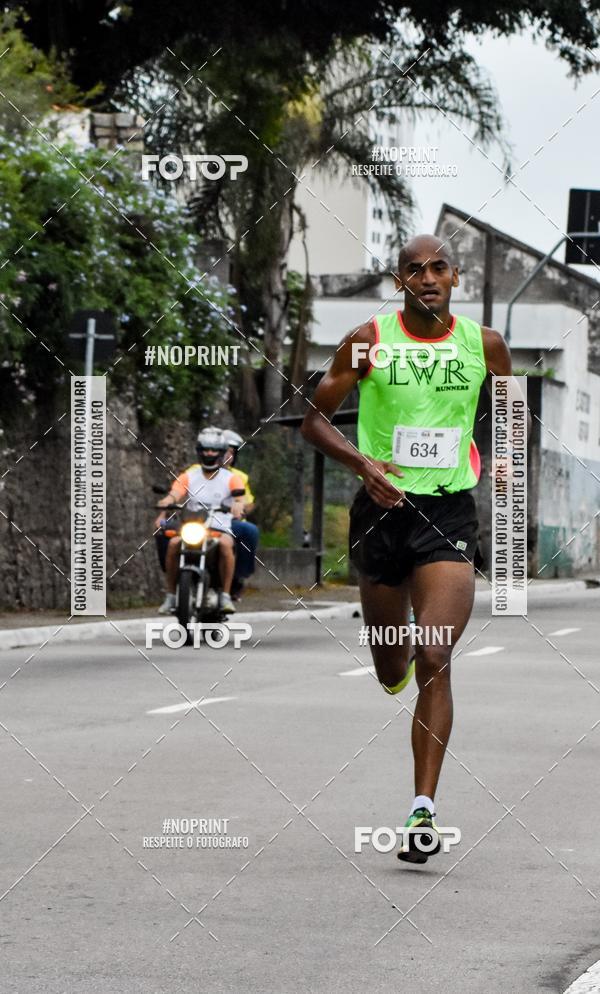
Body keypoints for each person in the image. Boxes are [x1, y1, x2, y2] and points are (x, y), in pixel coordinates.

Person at [301, 233, 530, 863]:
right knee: (391, 666)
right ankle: (391, 663)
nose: (427, 278)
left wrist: (506, 462)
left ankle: (421, 811)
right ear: (399, 282)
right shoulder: (370, 339)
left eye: (438, 268)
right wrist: (361, 462)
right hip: (380, 511)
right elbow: (313, 420)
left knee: (436, 654)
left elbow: (510, 415)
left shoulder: (484, 344)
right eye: (413, 270)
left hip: (448, 510)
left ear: (456, 278)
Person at [155, 427, 245, 615]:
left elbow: (239, 498)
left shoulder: (232, 478)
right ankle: (171, 595)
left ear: (221, 453)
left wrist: (237, 506)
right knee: (172, 544)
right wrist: (167, 502)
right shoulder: (189, 476)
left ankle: (226, 596)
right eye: (205, 449)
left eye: (213, 450)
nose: (209, 453)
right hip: (193, 526)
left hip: (220, 527)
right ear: (199, 451)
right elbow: (175, 493)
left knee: (226, 546)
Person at [222, 429, 260, 599]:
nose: (227, 455)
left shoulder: (239, 477)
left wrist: (241, 507)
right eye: (224, 451)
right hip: (199, 520)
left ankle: (238, 577)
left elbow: (248, 501)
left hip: (229, 521)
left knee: (249, 530)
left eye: (231, 452)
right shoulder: (195, 471)